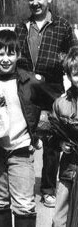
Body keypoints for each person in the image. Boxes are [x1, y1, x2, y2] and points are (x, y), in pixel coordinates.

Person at [14, 0, 78, 208]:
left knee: (53, 140)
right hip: (28, 89)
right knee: (25, 137)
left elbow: (73, 59)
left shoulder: (63, 26)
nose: (35, 2)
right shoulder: (21, 27)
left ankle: (49, 188)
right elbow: (15, 60)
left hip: (53, 89)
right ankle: (23, 185)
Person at [0, 29, 41, 227]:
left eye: (10, 53)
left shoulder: (29, 81)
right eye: (0, 54)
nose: (5, 59)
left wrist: (40, 134)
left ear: (18, 55)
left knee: (24, 204)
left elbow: (50, 109)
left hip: (21, 151)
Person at [51, 46, 78, 227]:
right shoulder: (61, 103)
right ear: (68, 76)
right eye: (77, 74)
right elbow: (51, 133)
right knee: (60, 214)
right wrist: (61, 143)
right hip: (69, 169)